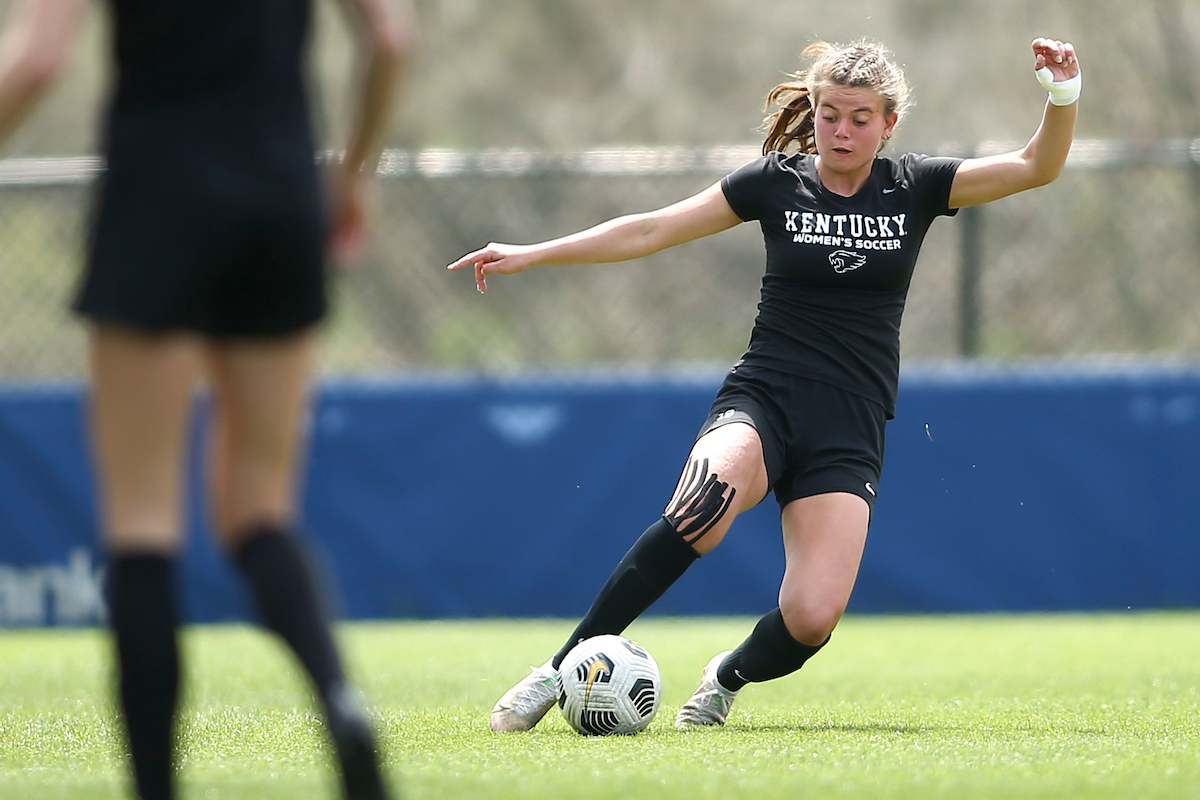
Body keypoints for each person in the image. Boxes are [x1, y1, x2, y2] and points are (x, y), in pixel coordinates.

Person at [448, 37, 1080, 731]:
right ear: (812, 110)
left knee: (812, 618)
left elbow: (1035, 166)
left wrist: (1062, 93)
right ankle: (555, 672)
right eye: (830, 113)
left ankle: (725, 677)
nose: (842, 130)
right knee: (702, 506)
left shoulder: (917, 185)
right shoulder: (774, 182)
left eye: (860, 118)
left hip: (850, 420)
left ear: (889, 123)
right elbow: (650, 230)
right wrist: (532, 254)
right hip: (765, 397)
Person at [0, 0, 411, 797]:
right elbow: (391, 37)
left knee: (142, 521)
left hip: (159, 192)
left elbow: (39, 60)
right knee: (260, 507)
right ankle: (342, 706)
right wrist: (351, 175)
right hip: (284, 193)